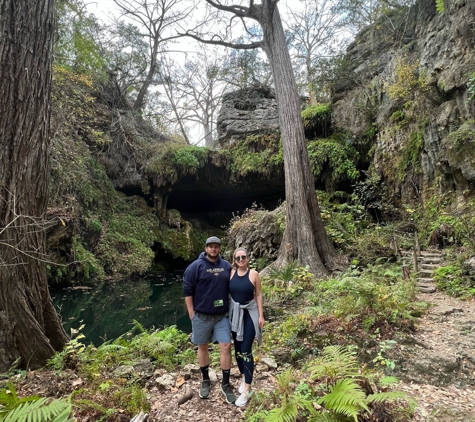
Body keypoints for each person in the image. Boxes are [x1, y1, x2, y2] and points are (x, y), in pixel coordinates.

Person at [182, 236, 236, 404]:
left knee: (226, 346)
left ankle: (226, 384)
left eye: (216, 246)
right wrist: (191, 312)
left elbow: (236, 282)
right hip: (201, 315)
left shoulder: (226, 266)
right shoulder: (195, 267)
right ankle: (205, 380)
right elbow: (187, 290)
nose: (213, 249)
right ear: (206, 248)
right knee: (202, 346)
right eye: (210, 246)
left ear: (219, 249)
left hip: (221, 316)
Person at [228, 248, 265, 407]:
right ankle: (244, 377)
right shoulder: (231, 273)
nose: (241, 260)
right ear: (234, 260)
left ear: (248, 258)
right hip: (235, 314)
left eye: (243, 257)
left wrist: (261, 316)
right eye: (238, 258)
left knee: (246, 349)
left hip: (250, 313)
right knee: (237, 349)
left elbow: (258, 295)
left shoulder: (254, 274)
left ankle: (248, 389)